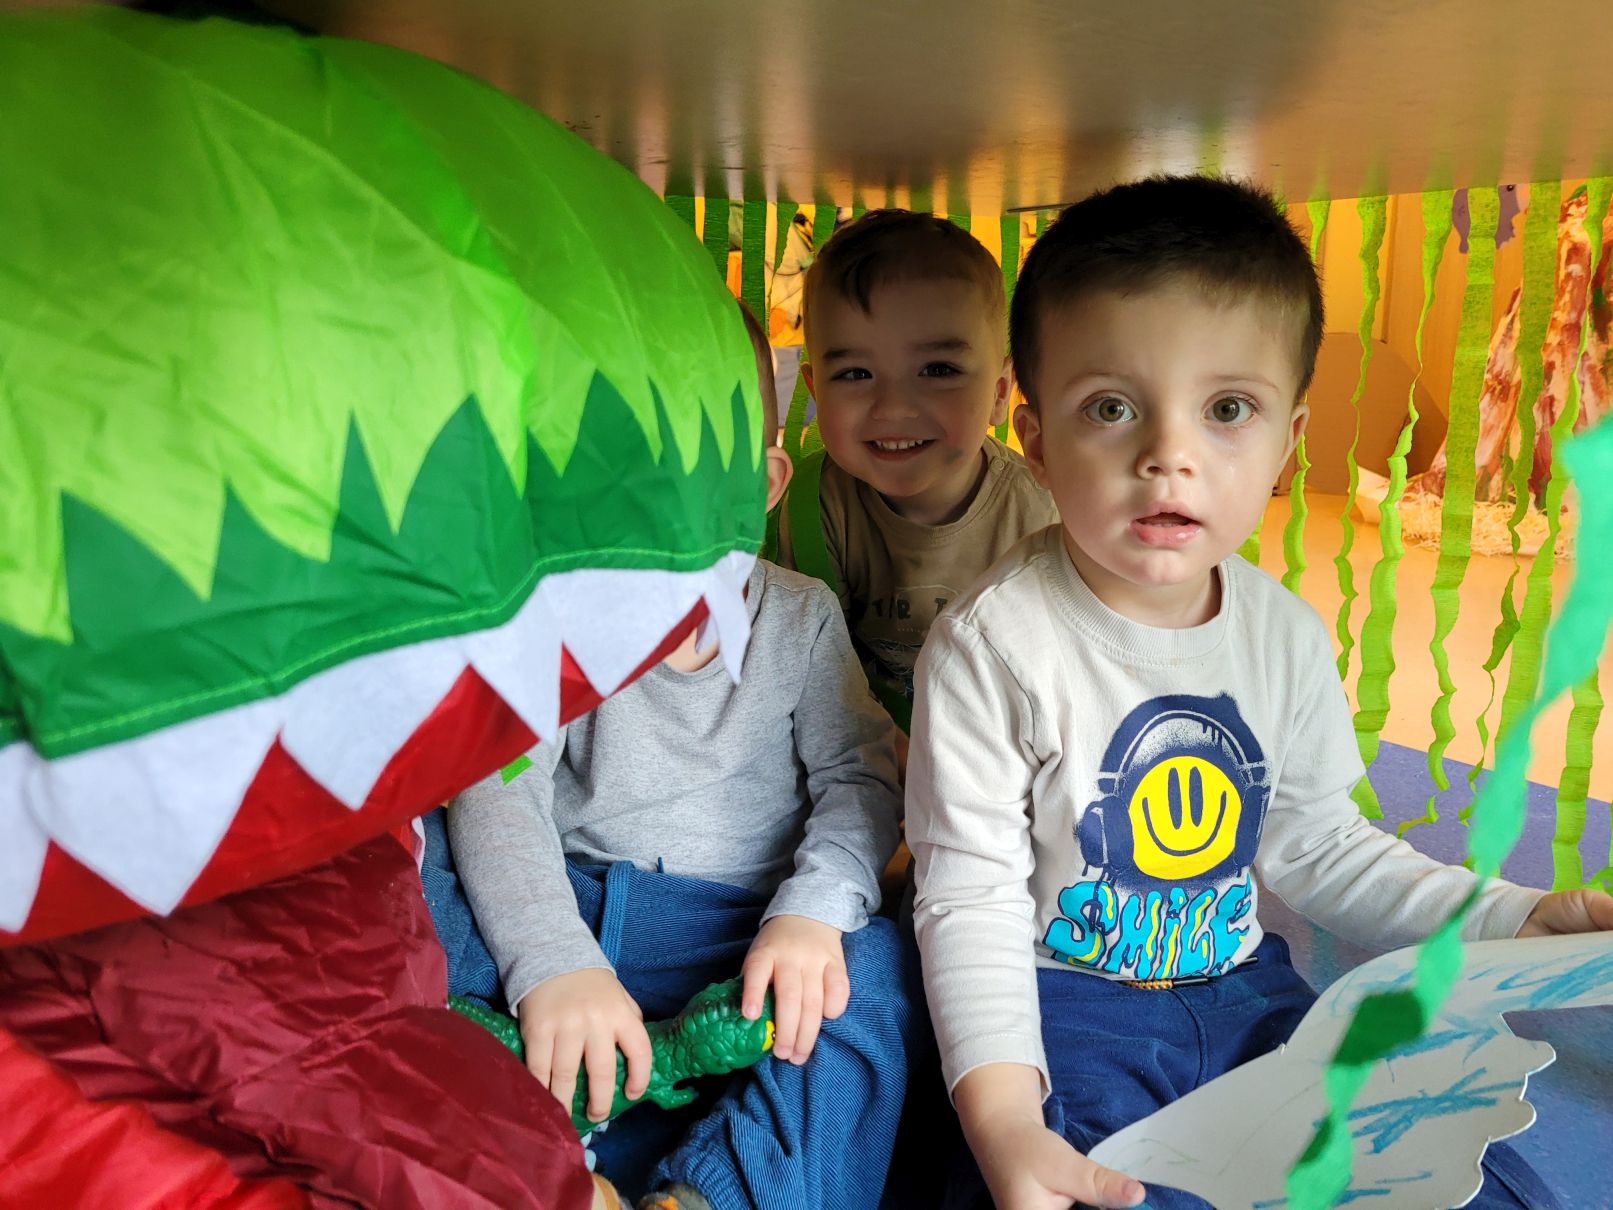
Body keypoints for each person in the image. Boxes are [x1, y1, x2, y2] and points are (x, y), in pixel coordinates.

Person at [905, 175, 1613, 1210]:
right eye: (1110, 408)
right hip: (1063, 1018)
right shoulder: (991, 645)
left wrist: (1511, 914)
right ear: (1035, 437)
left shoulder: (1280, 634)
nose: (1168, 456)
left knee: (1461, 1178)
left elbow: (1318, 846)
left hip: (1251, 999)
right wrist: (1004, 1117)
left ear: (1287, 440)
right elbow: (967, 897)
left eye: (1226, 409)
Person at [427, 303, 922, 1210]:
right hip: (560, 905)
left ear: (764, 484)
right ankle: (530, 1157)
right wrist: (553, 961)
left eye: (696, 488)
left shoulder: (799, 617)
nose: (658, 531)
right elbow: (498, 791)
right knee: (411, 868)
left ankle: (712, 1195)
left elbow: (860, 782)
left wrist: (809, 916)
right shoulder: (550, 616)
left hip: (738, 938)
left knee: (877, 974)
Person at [784, 210, 1058, 734]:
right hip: (857, 745)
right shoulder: (810, 505)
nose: (893, 407)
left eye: (938, 370)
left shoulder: (1046, 513)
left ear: (1000, 393)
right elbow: (808, 678)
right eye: (855, 373)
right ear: (816, 391)